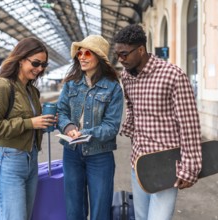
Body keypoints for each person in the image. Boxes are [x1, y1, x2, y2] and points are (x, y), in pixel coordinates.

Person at [113, 24, 202, 220]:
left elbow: (189, 126)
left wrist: (190, 167)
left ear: (141, 50)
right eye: (118, 54)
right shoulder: (126, 77)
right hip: (138, 161)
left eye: (124, 54)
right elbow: (131, 106)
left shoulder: (173, 75)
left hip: (166, 163)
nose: (120, 59)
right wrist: (129, 127)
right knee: (140, 217)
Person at [0, 37, 57, 220]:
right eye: (36, 63)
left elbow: (31, 126)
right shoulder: (2, 86)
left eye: (43, 65)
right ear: (21, 59)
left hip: (31, 161)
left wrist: (45, 123)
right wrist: (31, 123)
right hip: (9, 162)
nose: (39, 69)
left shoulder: (31, 90)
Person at [57, 35, 124, 220]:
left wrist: (84, 133)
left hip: (100, 155)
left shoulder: (112, 88)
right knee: (73, 210)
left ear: (99, 58)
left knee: (100, 211)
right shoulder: (71, 84)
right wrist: (68, 126)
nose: (82, 57)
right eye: (79, 53)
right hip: (71, 153)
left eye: (87, 53)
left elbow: (111, 126)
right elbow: (60, 111)